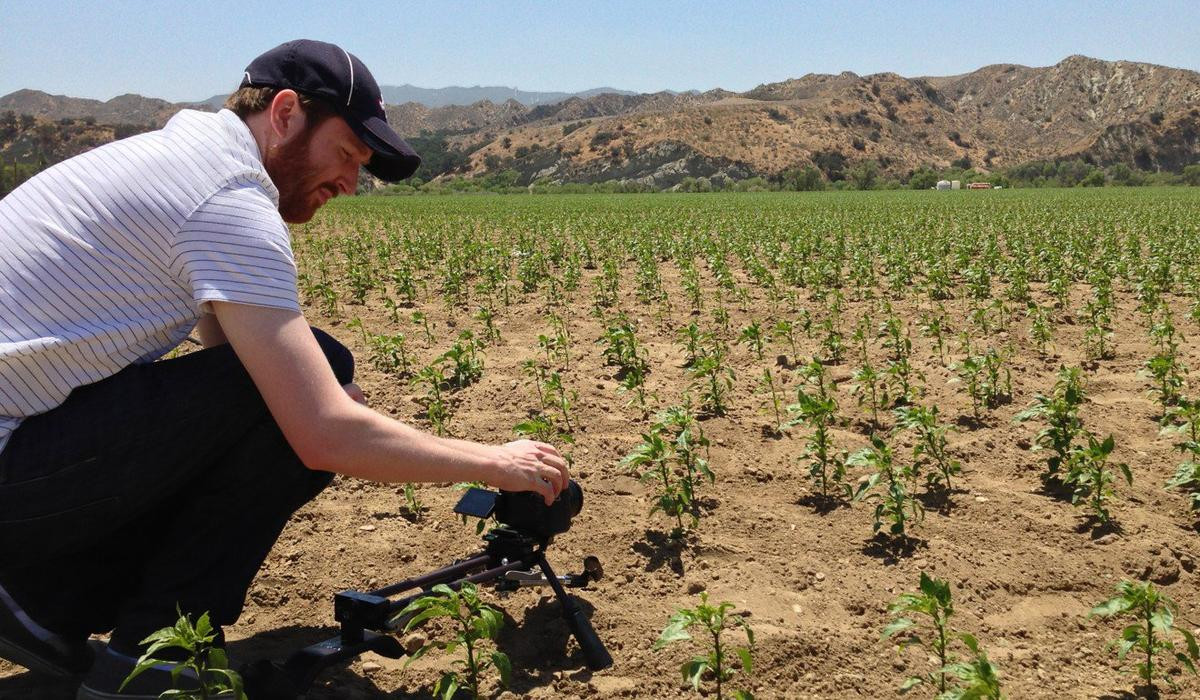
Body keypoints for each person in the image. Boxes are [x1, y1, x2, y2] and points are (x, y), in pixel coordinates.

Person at [0, 39, 569, 698]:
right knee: (317, 375)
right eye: (348, 154)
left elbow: (232, 368)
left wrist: (322, 410)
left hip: (24, 449)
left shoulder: (181, 160)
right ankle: (151, 661)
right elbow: (318, 431)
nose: (351, 182)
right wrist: (496, 462)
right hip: (15, 469)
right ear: (287, 112)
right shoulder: (226, 199)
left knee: (299, 388)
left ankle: (40, 605)